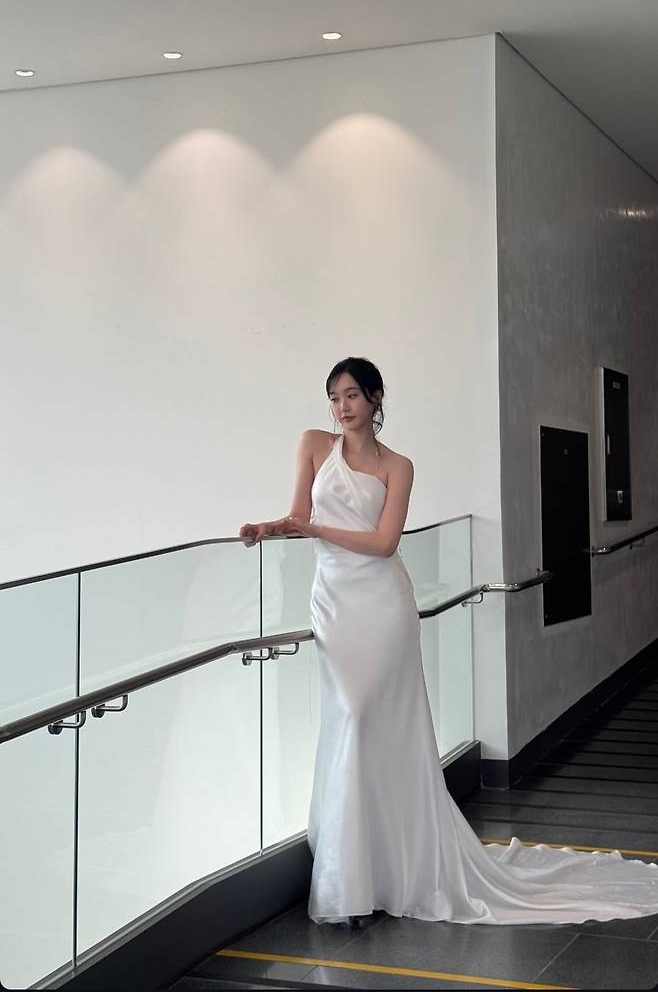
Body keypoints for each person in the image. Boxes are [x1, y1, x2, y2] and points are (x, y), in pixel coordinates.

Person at [240, 357, 658, 926]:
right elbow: (297, 514)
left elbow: (384, 543)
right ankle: (353, 874)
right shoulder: (314, 444)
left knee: (377, 722)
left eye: (352, 395)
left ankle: (386, 872)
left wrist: (313, 528)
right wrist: (267, 530)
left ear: (376, 397)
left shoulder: (398, 466)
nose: (341, 407)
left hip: (383, 604)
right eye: (334, 397)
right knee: (348, 719)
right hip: (333, 603)